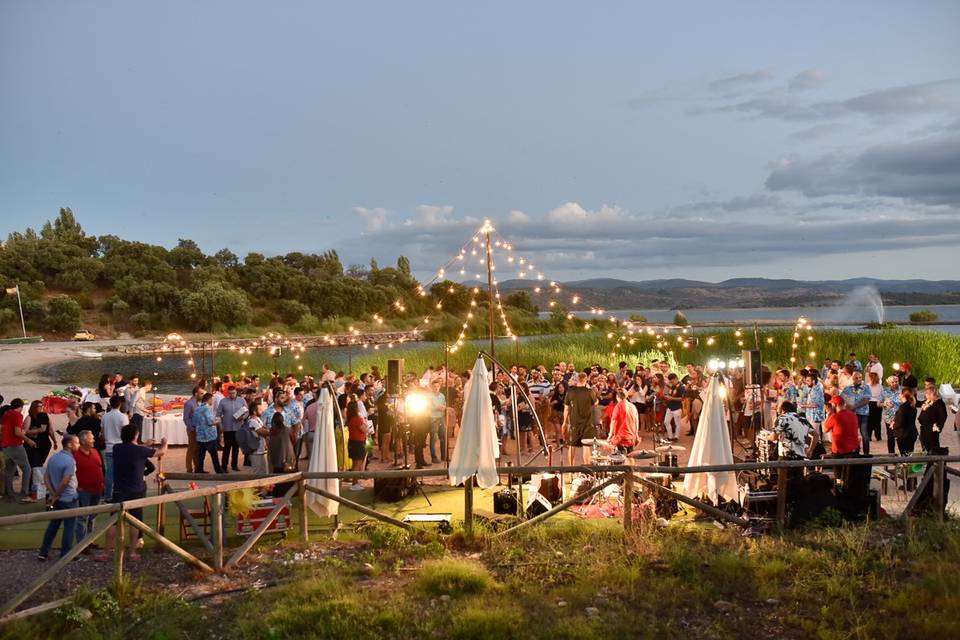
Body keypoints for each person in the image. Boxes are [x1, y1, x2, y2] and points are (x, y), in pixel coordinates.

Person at [95, 425, 167, 563]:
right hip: (136, 489)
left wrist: (144, 445)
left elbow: (132, 448)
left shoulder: (117, 448)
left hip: (119, 489)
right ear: (135, 435)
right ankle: (132, 552)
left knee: (114, 522)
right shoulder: (139, 450)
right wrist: (165, 443)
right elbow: (161, 452)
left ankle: (106, 552)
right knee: (135, 522)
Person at [38, 434, 80, 561]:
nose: (78, 445)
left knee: (53, 525)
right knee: (69, 527)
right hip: (68, 498)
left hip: (57, 498)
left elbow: (46, 477)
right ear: (69, 444)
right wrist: (56, 495)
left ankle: (43, 551)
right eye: (76, 443)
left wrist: (53, 494)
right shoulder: (70, 461)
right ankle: (66, 553)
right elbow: (65, 481)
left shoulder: (53, 458)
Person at [2, 398, 36, 503]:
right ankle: (24, 493)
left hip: (5, 445)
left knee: (9, 470)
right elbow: (17, 432)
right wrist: (28, 439)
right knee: (27, 468)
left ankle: (8, 494)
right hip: (15, 445)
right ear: (20, 407)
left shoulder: (6, 415)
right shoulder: (18, 415)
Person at [73, 429, 104, 543]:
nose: (94, 440)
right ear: (84, 441)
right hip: (84, 491)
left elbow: (100, 467)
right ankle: (82, 543)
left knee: (93, 516)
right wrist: (77, 486)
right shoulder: (75, 455)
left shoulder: (95, 451)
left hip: (97, 489)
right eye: (91, 438)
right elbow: (71, 473)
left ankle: (90, 540)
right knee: (83, 517)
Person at [563, 372, 597, 465]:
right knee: (586, 446)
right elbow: (596, 402)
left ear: (577, 379)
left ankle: (571, 469)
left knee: (572, 446)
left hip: (574, 422)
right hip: (587, 422)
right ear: (586, 380)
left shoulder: (570, 391)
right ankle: (587, 468)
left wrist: (564, 422)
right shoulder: (590, 391)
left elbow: (566, 408)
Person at [24, 400, 55, 499]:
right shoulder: (29, 417)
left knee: (39, 466)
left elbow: (50, 429)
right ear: (33, 407)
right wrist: (37, 430)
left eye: (42, 406)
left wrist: (55, 441)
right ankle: (30, 488)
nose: (41, 408)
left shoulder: (45, 416)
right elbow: (24, 432)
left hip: (45, 445)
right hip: (33, 446)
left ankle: (37, 487)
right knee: (34, 465)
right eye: (39, 406)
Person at [101, 396, 128, 501]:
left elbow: (102, 432)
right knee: (121, 471)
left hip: (109, 446)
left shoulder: (105, 416)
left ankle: (108, 495)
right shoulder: (123, 417)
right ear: (120, 404)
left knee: (109, 472)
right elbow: (126, 433)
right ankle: (120, 493)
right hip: (120, 446)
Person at [840, 372, 872, 455]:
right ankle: (854, 452)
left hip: (863, 413)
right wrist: (846, 406)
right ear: (853, 379)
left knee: (864, 433)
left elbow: (866, 400)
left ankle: (866, 453)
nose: (858, 379)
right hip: (851, 414)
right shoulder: (847, 388)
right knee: (852, 433)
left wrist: (855, 406)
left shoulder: (866, 387)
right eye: (856, 378)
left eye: (860, 378)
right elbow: (842, 399)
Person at [216, 384, 246, 472]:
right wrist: (221, 426)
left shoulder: (241, 400)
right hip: (227, 428)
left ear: (236, 392)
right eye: (230, 393)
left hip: (238, 427)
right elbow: (218, 414)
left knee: (236, 447)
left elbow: (246, 411)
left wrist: (243, 417)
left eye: (233, 393)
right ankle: (224, 466)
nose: (232, 395)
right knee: (227, 448)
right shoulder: (223, 401)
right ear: (228, 393)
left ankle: (234, 465)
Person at [194, 393, 224, 474]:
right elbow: (210, 422)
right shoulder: (207, 409)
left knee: (201, 455)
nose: (213, 401)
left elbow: (194, 421)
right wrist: (218, 420)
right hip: (209, 436)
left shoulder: (197, 408)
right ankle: (218, 471)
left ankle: (199, 470)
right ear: (209, 399)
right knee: (214, 455)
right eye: (212, 400)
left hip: (200, 436)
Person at [917, 382, 947, 453]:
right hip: (924, 427)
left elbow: (943, 416)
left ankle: (937, 460)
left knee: (933, 446)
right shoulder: (928, 401)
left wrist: (937, 425)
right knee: (925, 445)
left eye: (928, 393)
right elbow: (918, 404)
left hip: (932, 429)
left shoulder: (939, 403)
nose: (926, 395)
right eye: (926, 393)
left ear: (933, 393)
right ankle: (928, 461)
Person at [608, 389, 639, 454]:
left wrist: (610, 435)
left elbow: (613, 421)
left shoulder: (618, 406)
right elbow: (637, 422)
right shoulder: (633, 406)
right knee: (631, 460)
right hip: (631, 438)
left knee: (621, 461)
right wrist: (636, 435)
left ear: (617, 397)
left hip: (621, 439)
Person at [345, 401, 367, 491]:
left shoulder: (350, 418)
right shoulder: (357, 418)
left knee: (355, 463)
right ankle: (355, 483)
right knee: (357, 463)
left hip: (353, 442)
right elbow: (364, 430)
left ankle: (355, 482)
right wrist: (365, 425)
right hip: (358, 442)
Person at [244, 401, 269, 475]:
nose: (262, 411)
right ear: (254, 412)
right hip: (256, 451)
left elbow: (264, 428)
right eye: (260, 410)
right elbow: (263, 431)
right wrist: (271, 431)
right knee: (257, 472)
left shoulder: (257, 419)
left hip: (260, 450)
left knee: (263, 470)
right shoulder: (252, 421)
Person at [880, 376, 902, 455]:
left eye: (896, 381)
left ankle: (904, 455)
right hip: (889, 417)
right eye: (893, 382)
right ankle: (891, 455)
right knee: (890, 437)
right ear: (889, 383)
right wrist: (885, 404)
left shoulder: (902, 390)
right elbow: (879, 403)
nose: (895, 383)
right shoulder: (884, 391)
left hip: (900, 417)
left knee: (901, 437)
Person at [891, 388, 918, 456]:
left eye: (900, 394)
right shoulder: (912, 406)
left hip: (903, 434)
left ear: (903, 395)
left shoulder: (903, 407)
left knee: (904, 455)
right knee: (909, 453)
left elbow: (900, 422)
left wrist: (893, 425)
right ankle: (908, 466)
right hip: (912, 433)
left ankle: (906, 466)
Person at [181, 386, 201, 473]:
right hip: (193, 430)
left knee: (196, 449)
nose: (202, 395)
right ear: (196, 393)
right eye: (201, 393)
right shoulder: (189, 403)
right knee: (191, 449)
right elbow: (186, 418)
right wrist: (192, 428)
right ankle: (189, 469)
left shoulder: (196, 402)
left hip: (197, 429)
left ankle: (197, 467)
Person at [662, 374, 684, 442]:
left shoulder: (681, 387)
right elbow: (666, 393)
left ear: (676, 378)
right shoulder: (671, 386)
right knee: (666, 421)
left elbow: (682, 398)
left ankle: (676, 437)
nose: (672, 382)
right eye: (670, 381)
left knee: (677, 423)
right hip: (670, 406)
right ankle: (670, 436)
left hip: (677, 407)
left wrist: (672, 398)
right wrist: (667, 397)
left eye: (673, 380)